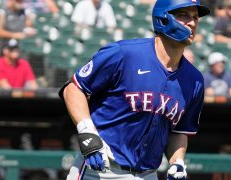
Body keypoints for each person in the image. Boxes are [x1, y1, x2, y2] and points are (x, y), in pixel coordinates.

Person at [59, 0, 210, 179]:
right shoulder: (124, 53)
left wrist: (177, 162)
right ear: (163, 18)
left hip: (148, 174)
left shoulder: (194, 80)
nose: (192, 23)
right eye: (183, 15)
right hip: (100, 168)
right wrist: (87, 131)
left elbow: (179, 131)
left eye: (195, 17)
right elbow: (74, 89)